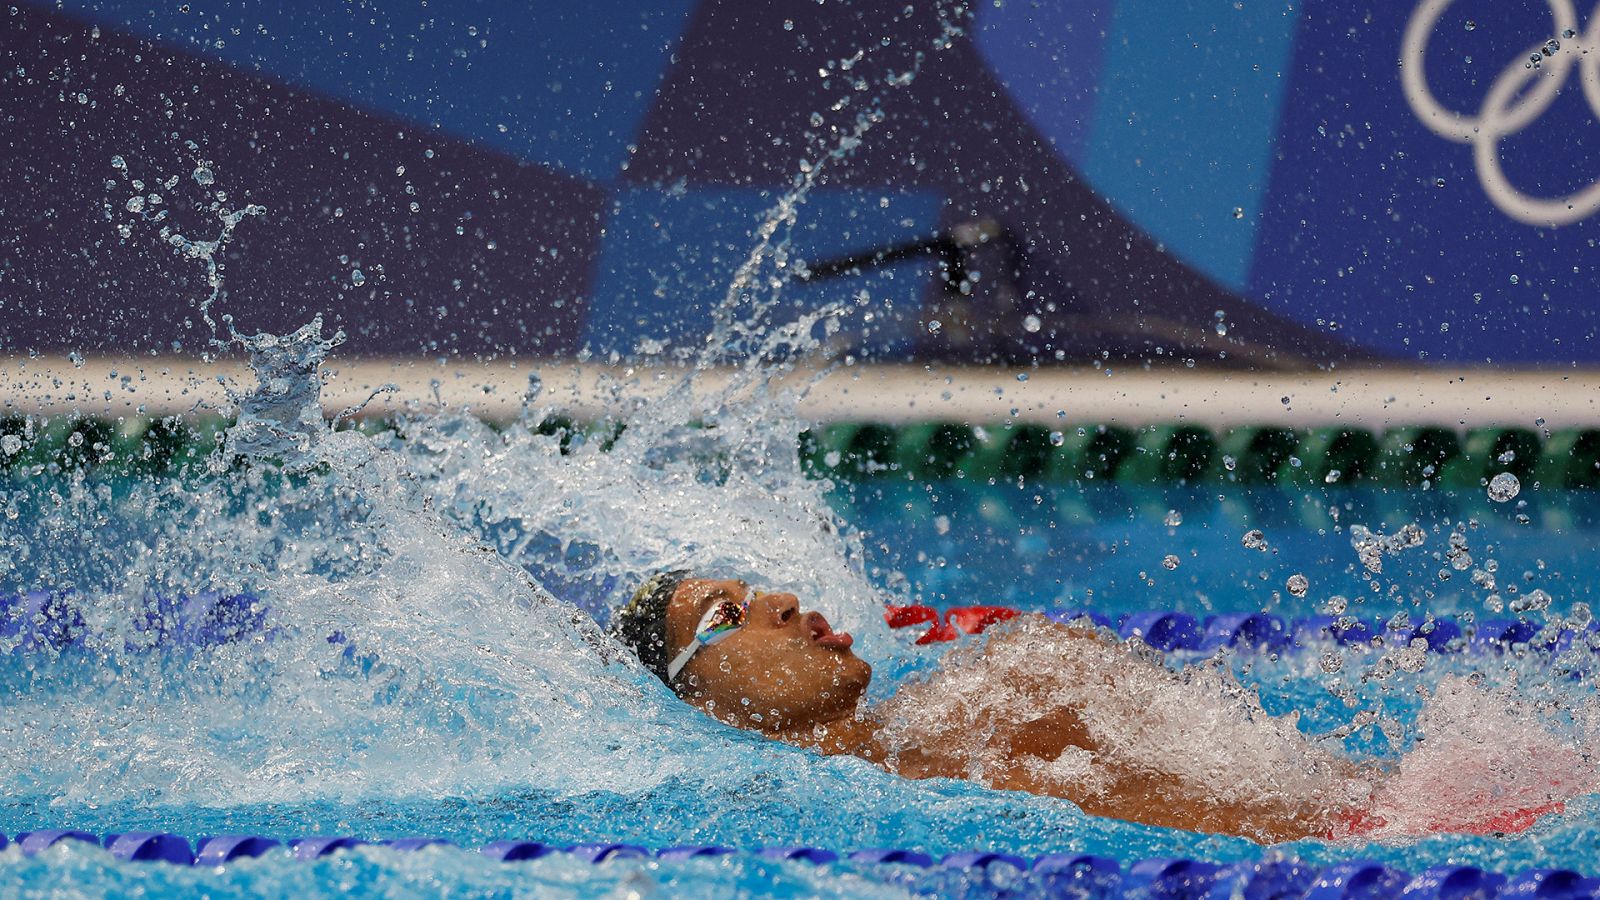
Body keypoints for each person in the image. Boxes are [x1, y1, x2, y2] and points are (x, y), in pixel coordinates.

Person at [609, 571, 1381, 843]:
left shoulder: (977, 690)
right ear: (702, 706)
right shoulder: (906, 790)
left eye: (757, 591)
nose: (780, 601)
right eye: (723, 616)